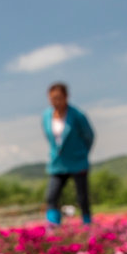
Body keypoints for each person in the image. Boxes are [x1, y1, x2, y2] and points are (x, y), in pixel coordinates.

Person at [42, 82, 95, 226]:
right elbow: (50, 137)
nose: (55, 102)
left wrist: (82, 153)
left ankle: (87, 224)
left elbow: (89, 136)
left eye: (58, 98)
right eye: (52, 98)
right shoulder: (46, 116)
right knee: (52, 195)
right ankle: (53, 225)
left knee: (82, 196)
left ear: (66, 97)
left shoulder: (77, 115)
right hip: (58, 163)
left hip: (78, 161)